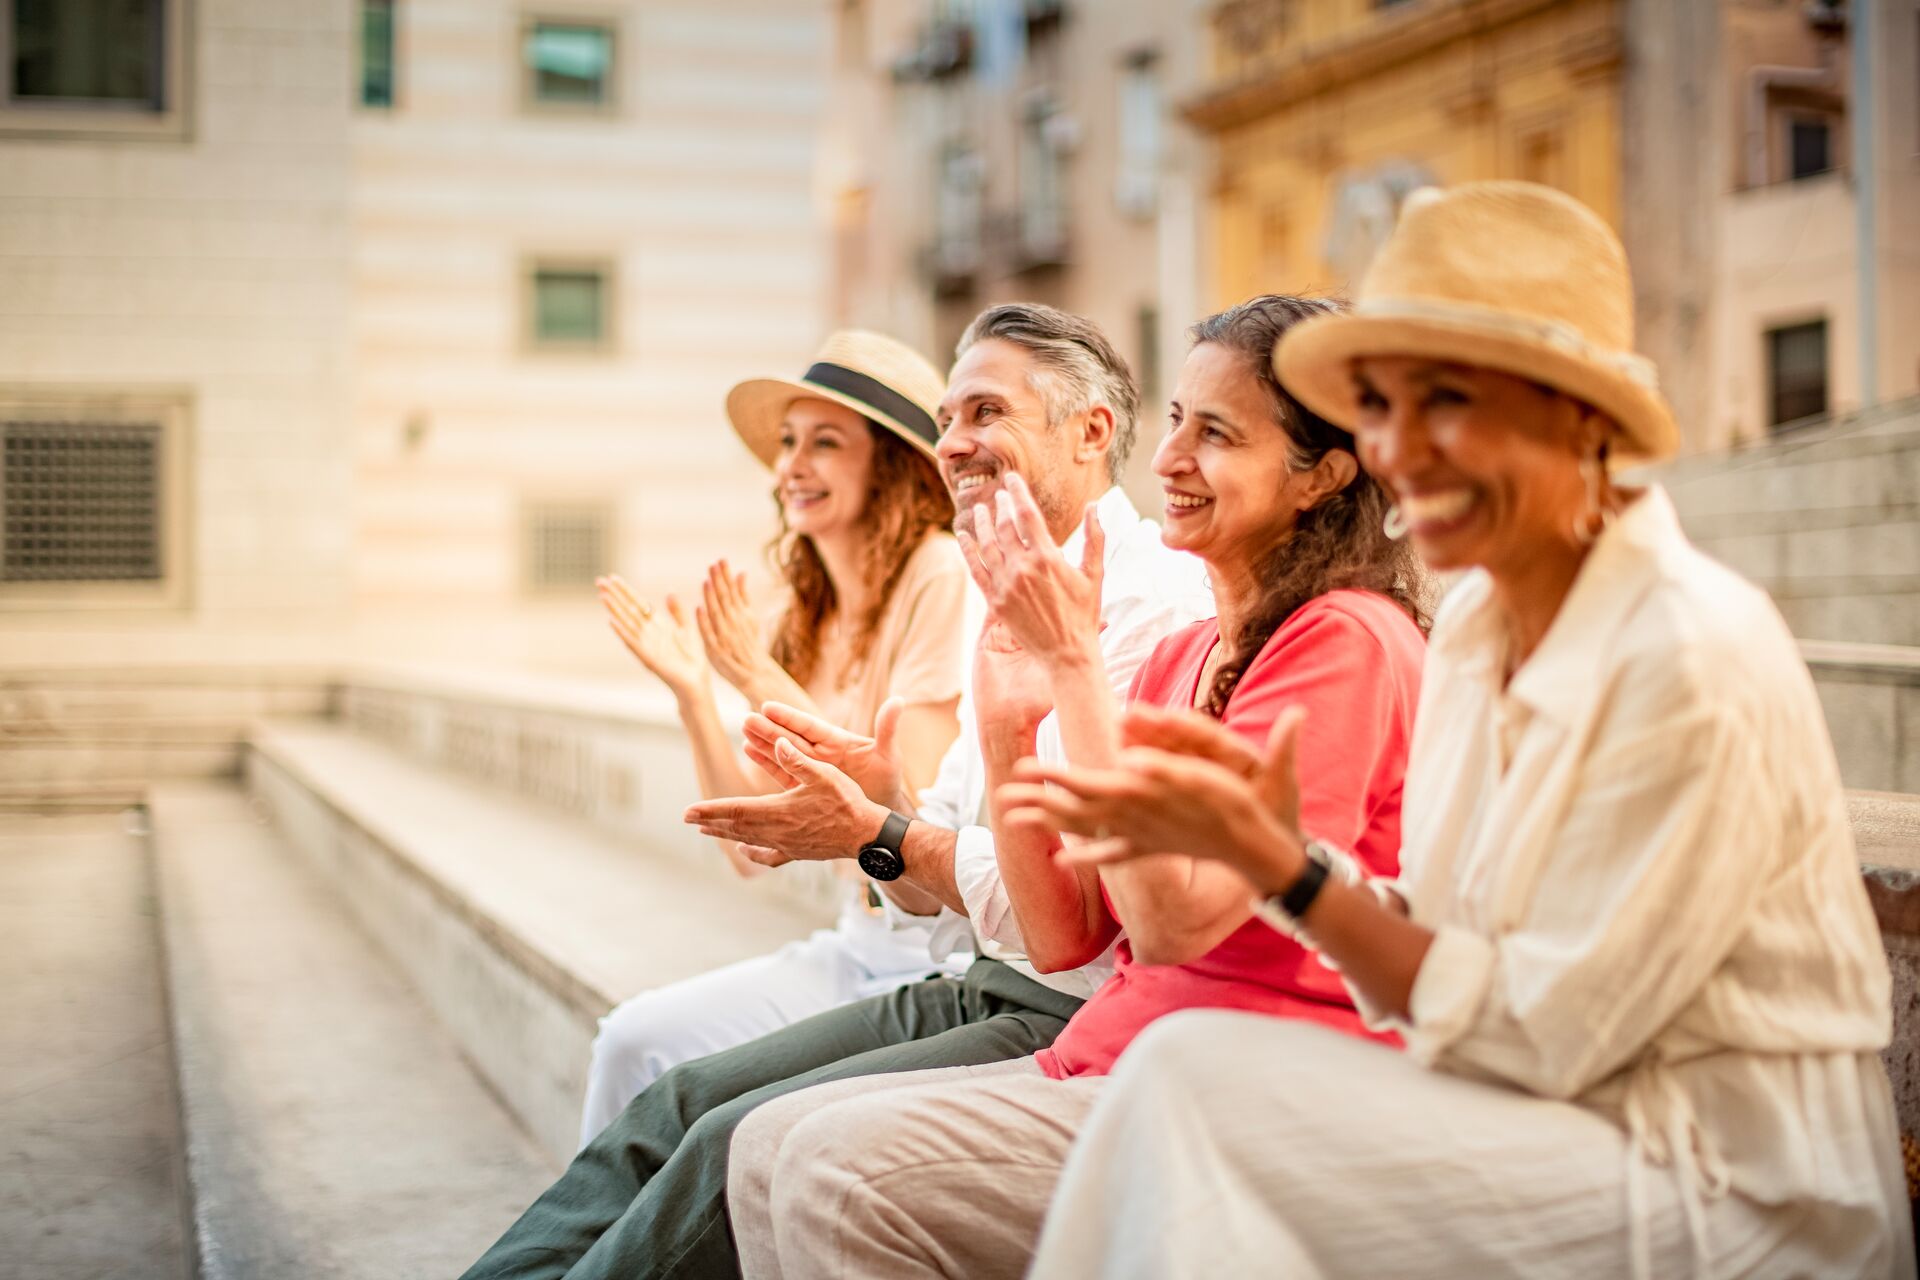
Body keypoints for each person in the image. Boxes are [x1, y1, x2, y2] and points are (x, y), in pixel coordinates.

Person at [1008, 183, 1911, 1278]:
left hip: (1727, 1183)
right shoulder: (1481, 621)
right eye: (1381, 408)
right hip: (1544, 1112)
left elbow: (1544, 1033)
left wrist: (1286, 873)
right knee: (1178, 1070)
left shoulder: (1686, 650)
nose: (1400, 449)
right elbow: (1444, 937)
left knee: (1192, 1095)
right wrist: (1269, 852)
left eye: (1444, 403)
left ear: (1580, 419)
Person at [460, 303, 1212, 1280]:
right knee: (671, 1101)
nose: (955, 443)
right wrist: (878, 806)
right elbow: (922, 873)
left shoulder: (1150, 604)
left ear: (1091, 431)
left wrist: (878, 826)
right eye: (946, 419)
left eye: (986, 411)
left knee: (726, 1140)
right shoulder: (1000, 584)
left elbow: (1064, 921)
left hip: (1059, 1006)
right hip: (971, 978)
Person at [724, 295, 1430, 1279]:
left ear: (1323, 474)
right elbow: (1068, 933)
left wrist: (1072, 668)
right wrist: (1008, 721)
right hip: (1114, 1050)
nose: (1169, 457)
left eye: (1216, 433)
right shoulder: (1190, 650)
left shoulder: (1343, 639)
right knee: (760, 1146)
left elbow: (1175, 921)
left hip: (1239, 1086)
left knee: (831, 1170)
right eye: (1176, 421)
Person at [579, 331, 968, 1146]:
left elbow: (914, 805)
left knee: (718, 1109)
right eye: (789, 441)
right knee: (629, 1042)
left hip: (936, 960)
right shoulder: (808, 614)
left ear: (893, 464)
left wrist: (757, 677)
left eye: (826, 442)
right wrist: (694, 691)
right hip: (854, 946)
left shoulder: (942, 573)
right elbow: (749, 851)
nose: (792, 464)